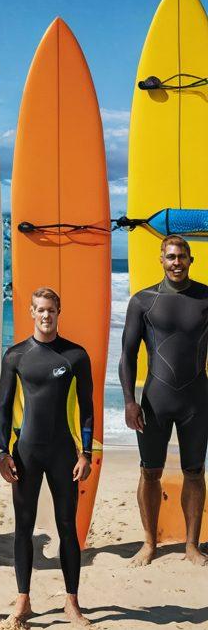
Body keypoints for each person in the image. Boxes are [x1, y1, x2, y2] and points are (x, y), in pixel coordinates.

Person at [0, 287, 93, 625]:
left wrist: (87, 453)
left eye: (51, 309)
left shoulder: (75, 356)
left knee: (68, 526)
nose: (46, 315)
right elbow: (4, 409)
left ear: (59, 311)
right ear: (31, 312)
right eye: (40, 309)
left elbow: (87, 410)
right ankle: (23, 600)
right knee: (23, 527)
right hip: (25, 453)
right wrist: (2, 453)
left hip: (64, 453)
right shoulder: (15, 356)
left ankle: (72, 601)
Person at [119, 235, 208, 567]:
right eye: (171, 256)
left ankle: (192, 546)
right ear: (161, 259)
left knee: (195, 472)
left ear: (190, 260)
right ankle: (149, 542)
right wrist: (129, 401)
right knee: (150, 472)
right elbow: (127, 356)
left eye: (182, 256)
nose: (176, 262)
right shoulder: (143, 301)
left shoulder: (205, 297)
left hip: (197, 400)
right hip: (155, 400)